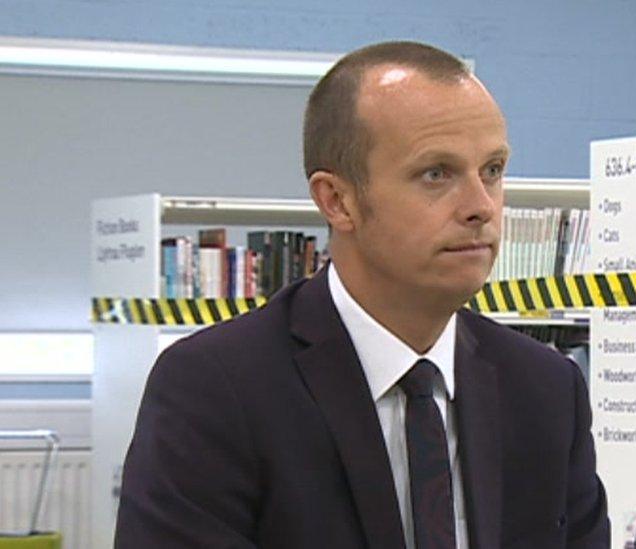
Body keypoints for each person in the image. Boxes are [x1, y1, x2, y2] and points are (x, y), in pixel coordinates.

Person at [115, 41, 609, 548]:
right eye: (435, 173)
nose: (481, 206)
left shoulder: (547, 390)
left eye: (493, 170)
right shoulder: (215, 389)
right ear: (338, 200)